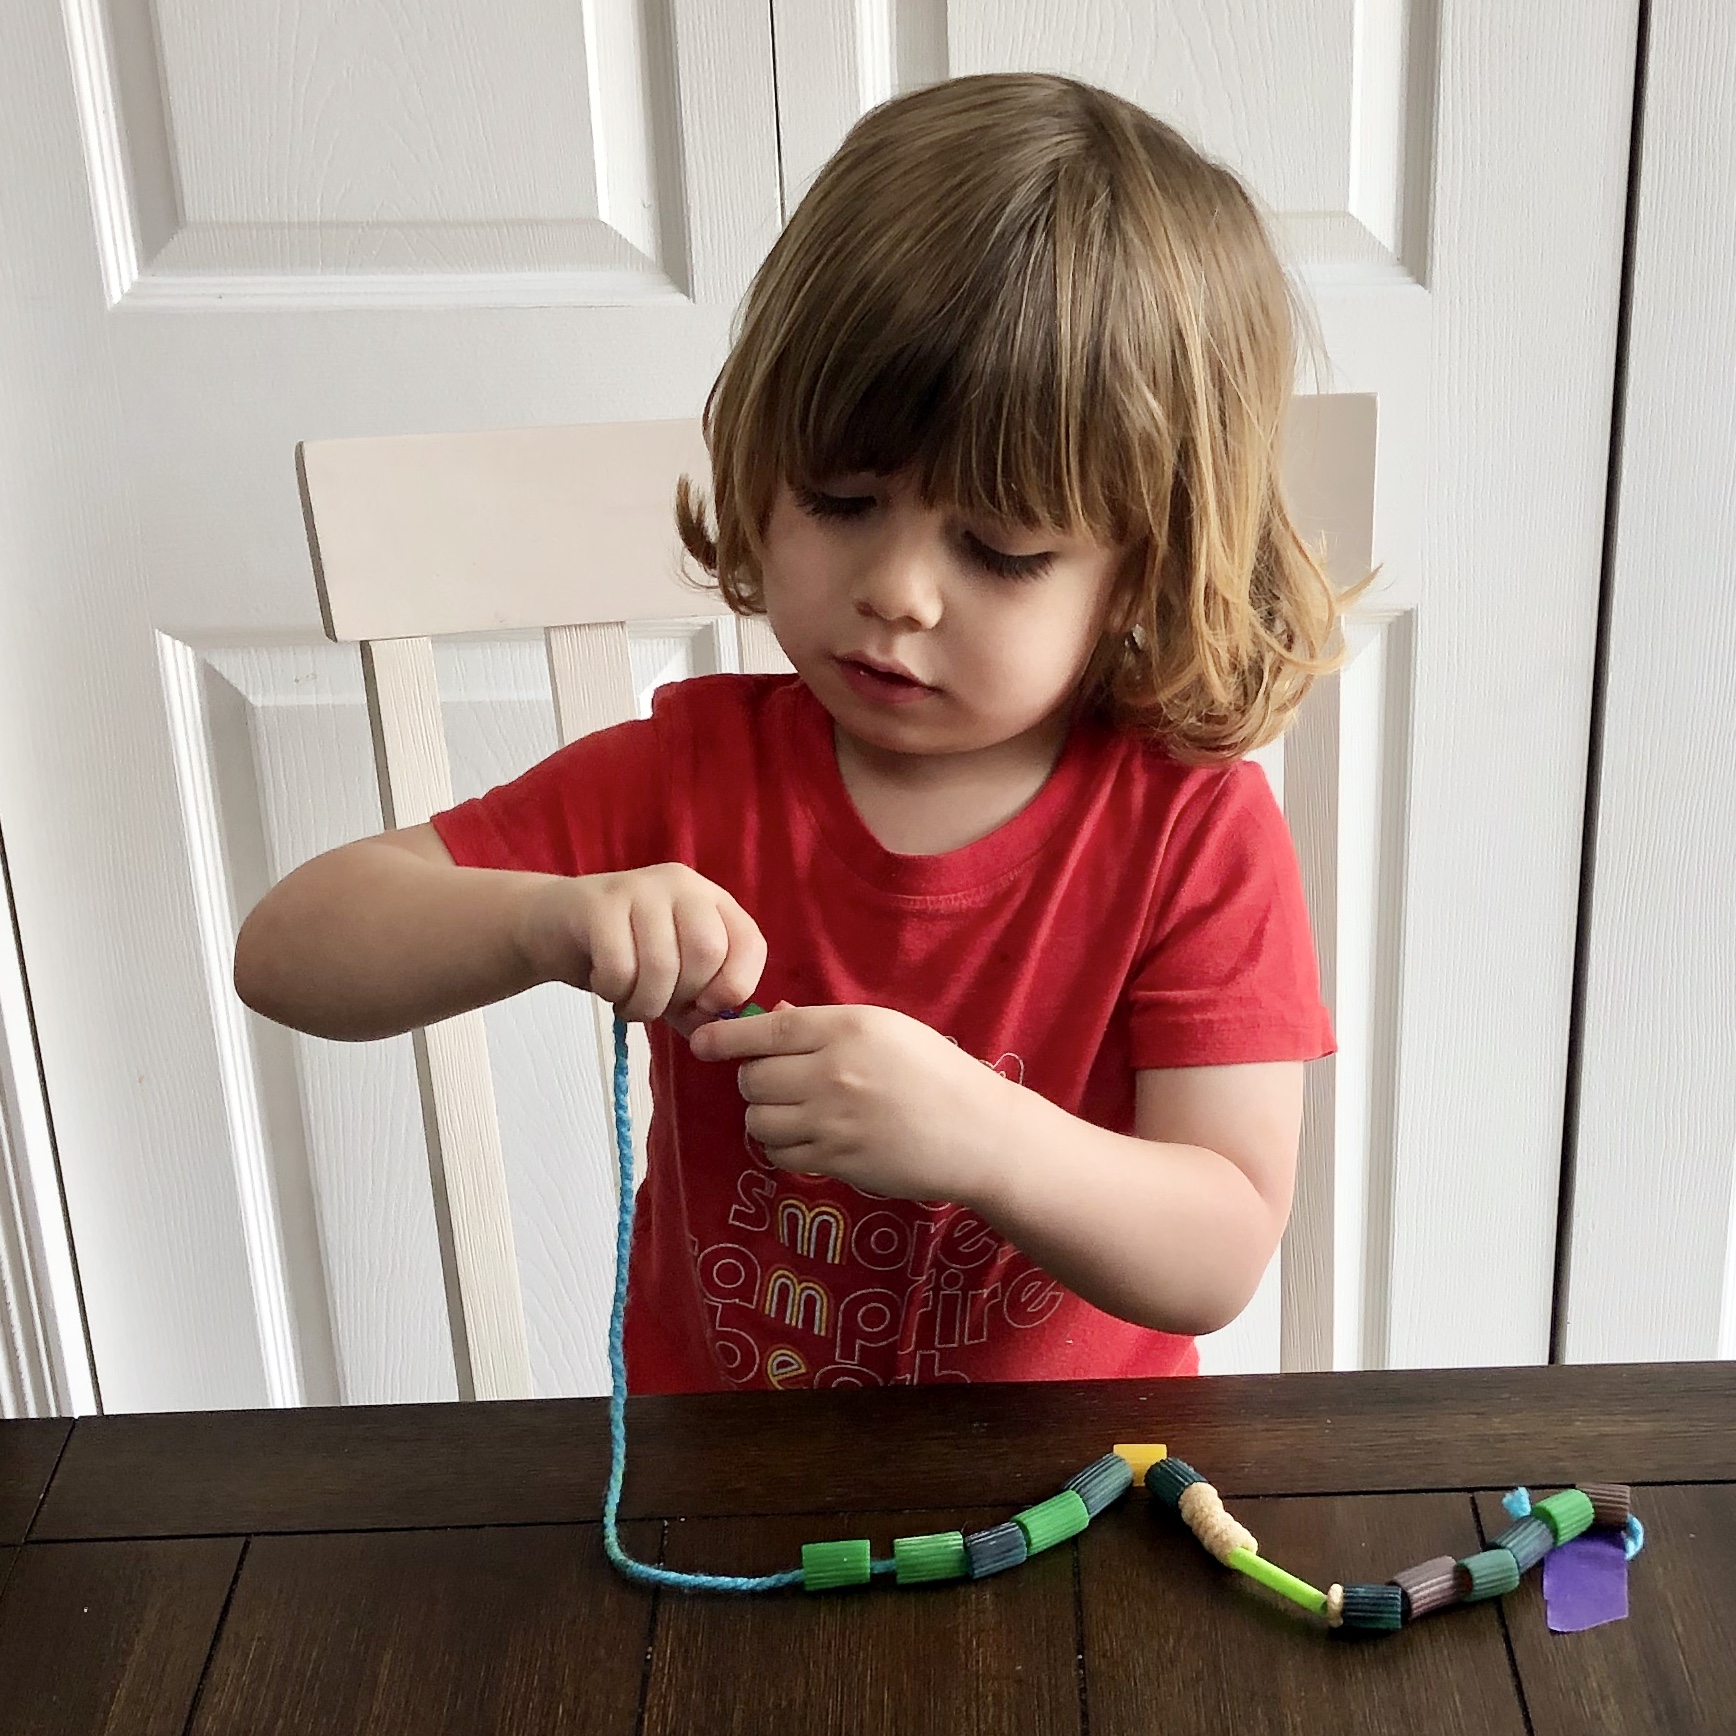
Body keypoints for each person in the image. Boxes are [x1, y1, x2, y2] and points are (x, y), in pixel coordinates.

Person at [235, 73, 1366, 1395]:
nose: (898, 589)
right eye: (839, 499)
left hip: (1077, 1501)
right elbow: (288, 951)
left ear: (1142, 569)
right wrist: (541, 919)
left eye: (1000, 550)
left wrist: (980, 1137)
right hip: (725, 1488)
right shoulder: (690, 777)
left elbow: (1220, 1247)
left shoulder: (1190, 828)